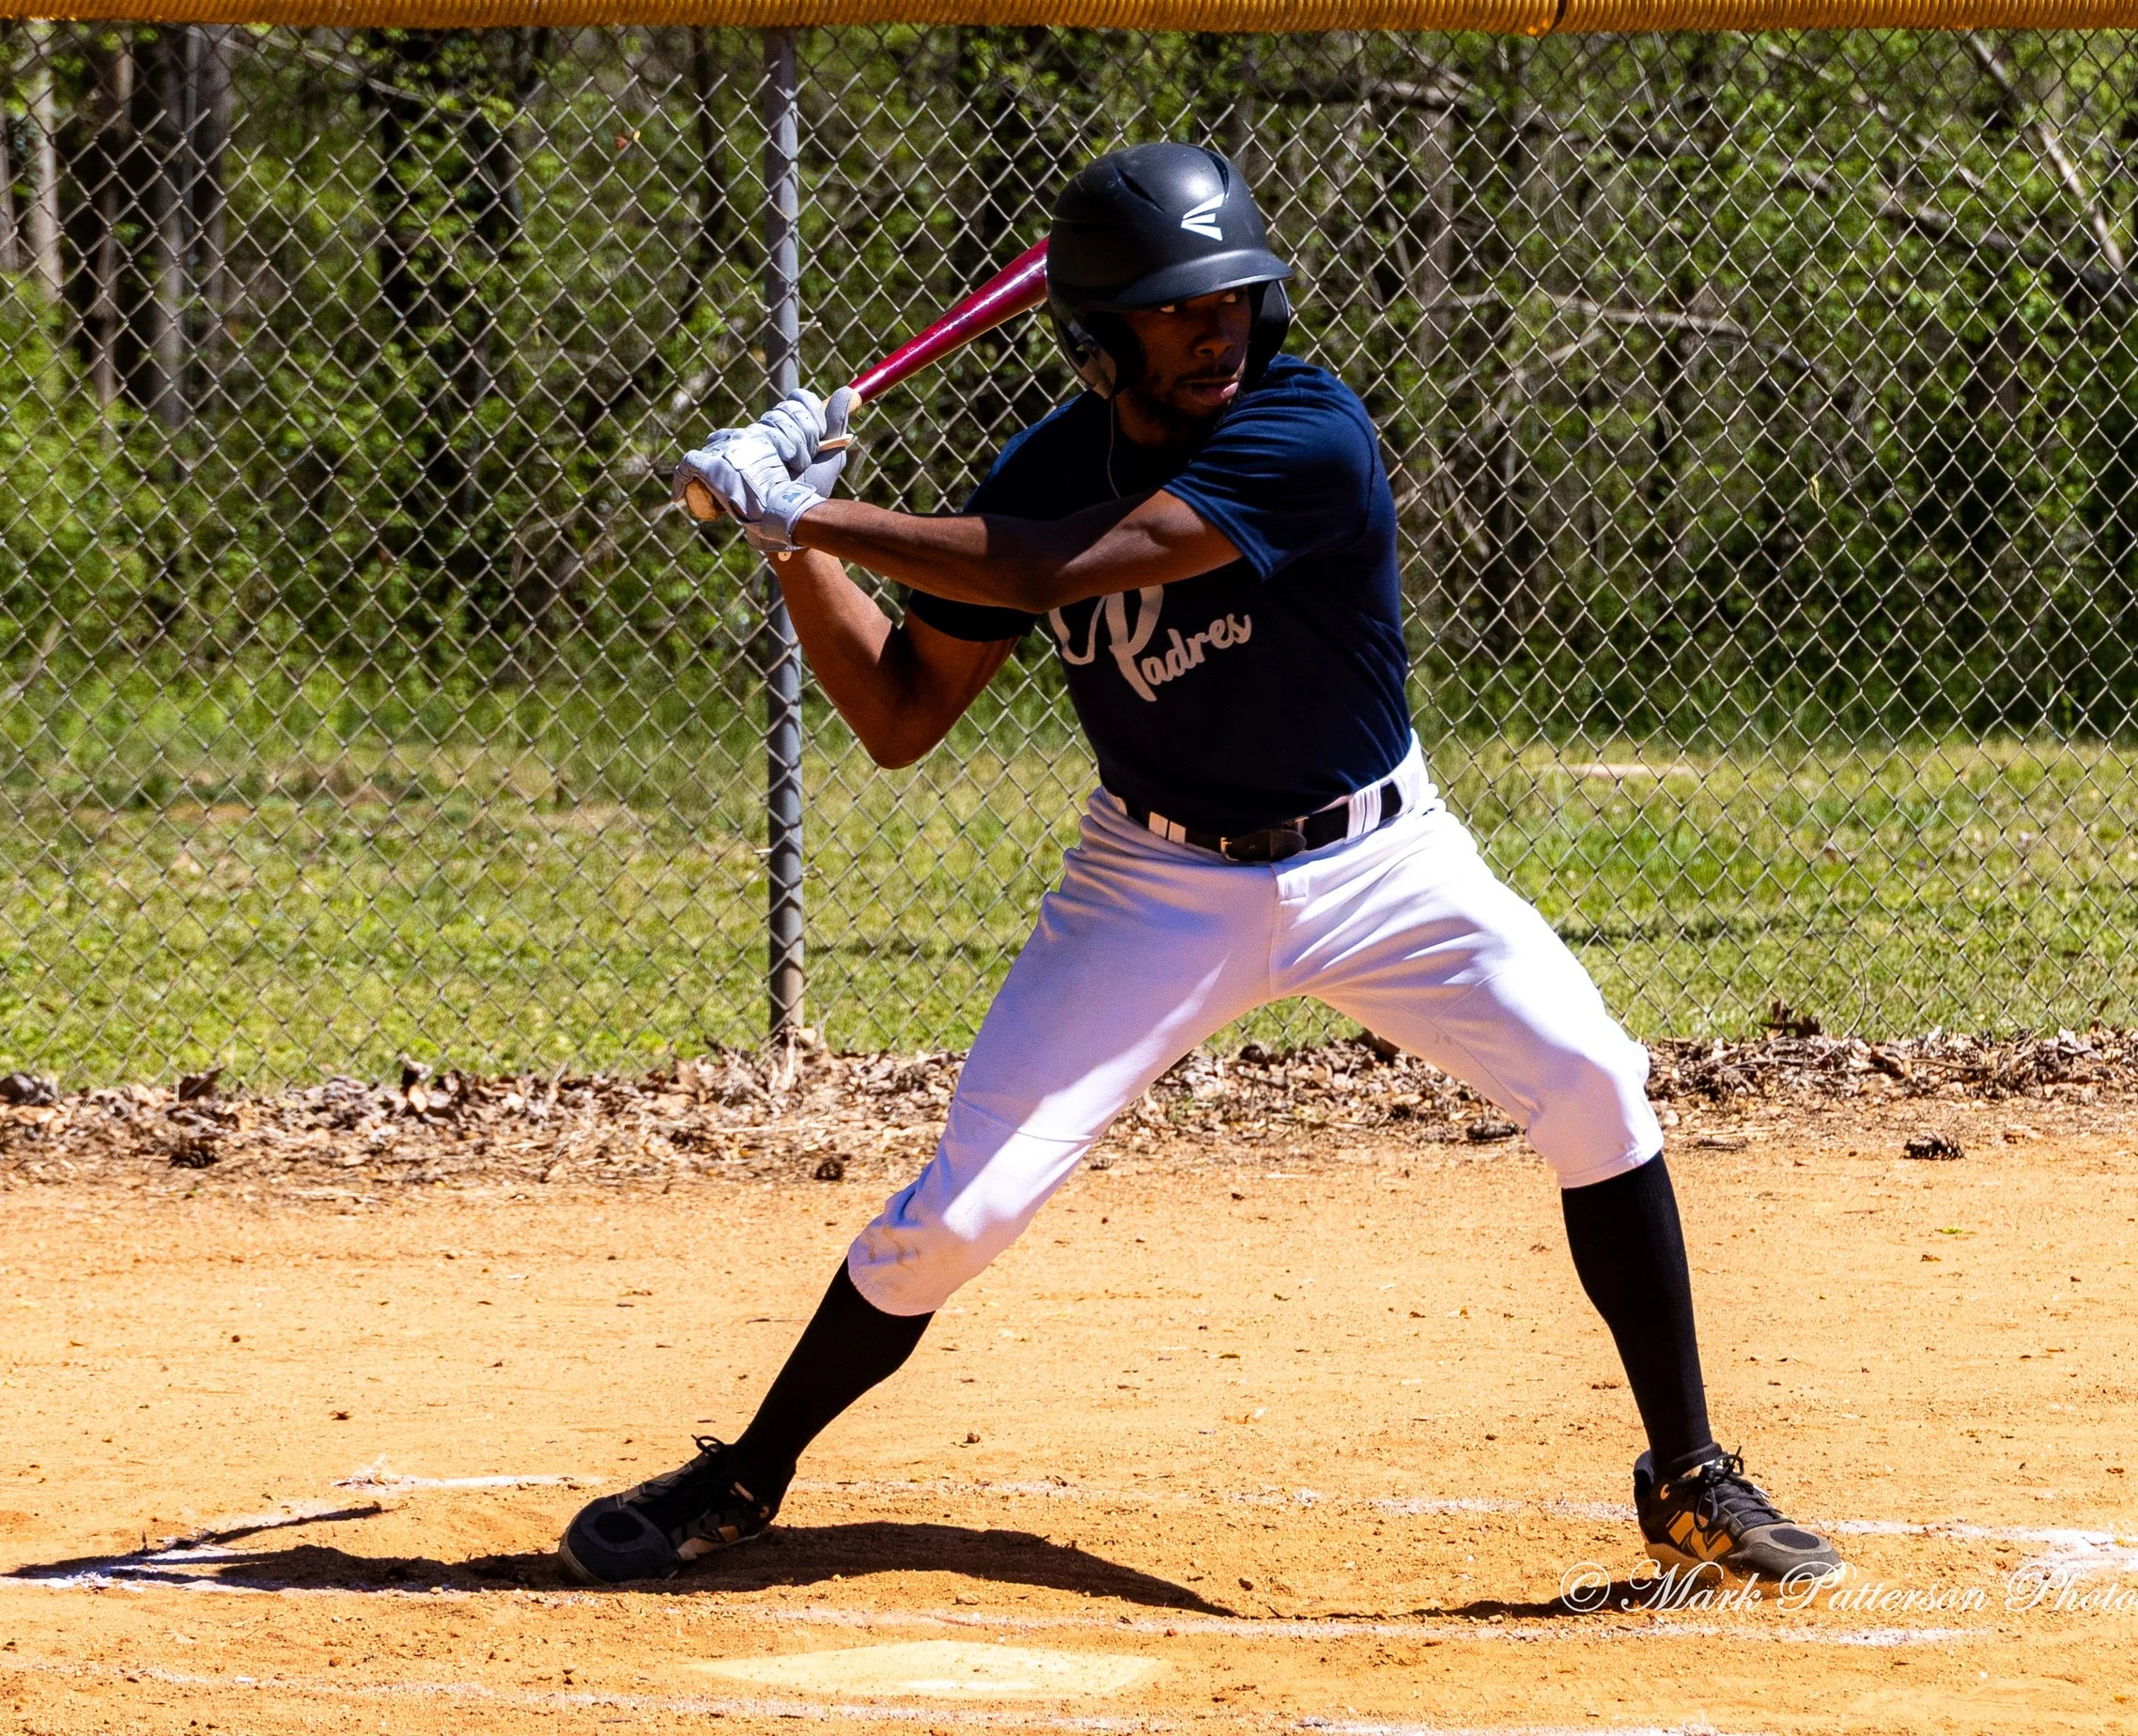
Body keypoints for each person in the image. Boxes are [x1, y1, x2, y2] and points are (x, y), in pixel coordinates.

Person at [558, 142, 1842, 1592]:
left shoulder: (1309, 435)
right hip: (1152, 885)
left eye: (1230, 294)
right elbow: (904, 713)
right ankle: (745, 1472)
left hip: (1383, 860)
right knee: (956, 1221)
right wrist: (796, 551)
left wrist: (798, 509)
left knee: (1597, 1082)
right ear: (1101, 339)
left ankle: (1687, 1479)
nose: (1213, 324)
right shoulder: (1036, 473)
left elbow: (1053, 568)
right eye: (1173, 310)